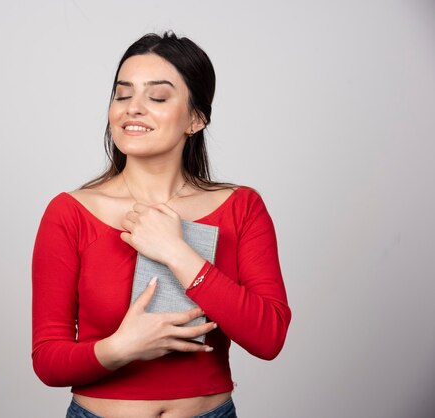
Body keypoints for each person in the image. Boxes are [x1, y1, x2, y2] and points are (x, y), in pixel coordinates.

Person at [32, 31, 291, 418]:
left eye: (157, 96)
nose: (132, 108)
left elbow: (268, 337)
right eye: (122, 95)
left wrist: (176, 251)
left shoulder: (241, 207)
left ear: (195, 119)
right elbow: (47, 360)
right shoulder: (70, 212)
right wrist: (122, 347)